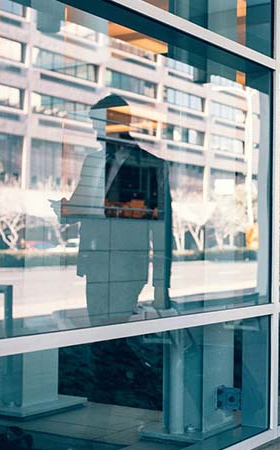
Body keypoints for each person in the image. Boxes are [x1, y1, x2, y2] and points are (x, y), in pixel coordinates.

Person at [53, 94, 172, 325]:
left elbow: (162, 230)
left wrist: (161, 285)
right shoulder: (93, 162)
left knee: (114, 335)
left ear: (117, 123)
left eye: (98, 124)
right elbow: (82, 207)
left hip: (127, 269)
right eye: (93, 124)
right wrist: (65, 210)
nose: (95, 131)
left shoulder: (150, 165)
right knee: (98, 334)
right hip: (95, 265)